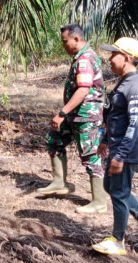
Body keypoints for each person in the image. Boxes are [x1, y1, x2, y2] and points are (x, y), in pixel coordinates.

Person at [92, 37, 138, 256]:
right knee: (112, 187)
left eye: (113, 55)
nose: (109, 59)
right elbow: (116, 116)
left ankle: (118, 240)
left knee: (119, 191)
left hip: (126, 149)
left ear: (126, 58)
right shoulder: (124, 82)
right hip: (117, 146)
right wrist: (105, 139)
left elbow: (134, 123)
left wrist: (120, 155)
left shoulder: (136, 85)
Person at [37, 24, 107, 214]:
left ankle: (99, 201)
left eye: (65, 41)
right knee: (54, 139)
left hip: (86, 116)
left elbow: (84, 89)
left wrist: (62, 113)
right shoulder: (81, 57)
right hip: (75, 115)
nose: (63, 45)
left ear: (76, 39)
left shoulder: (85, 59)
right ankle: (60, 182)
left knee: (91, 155)